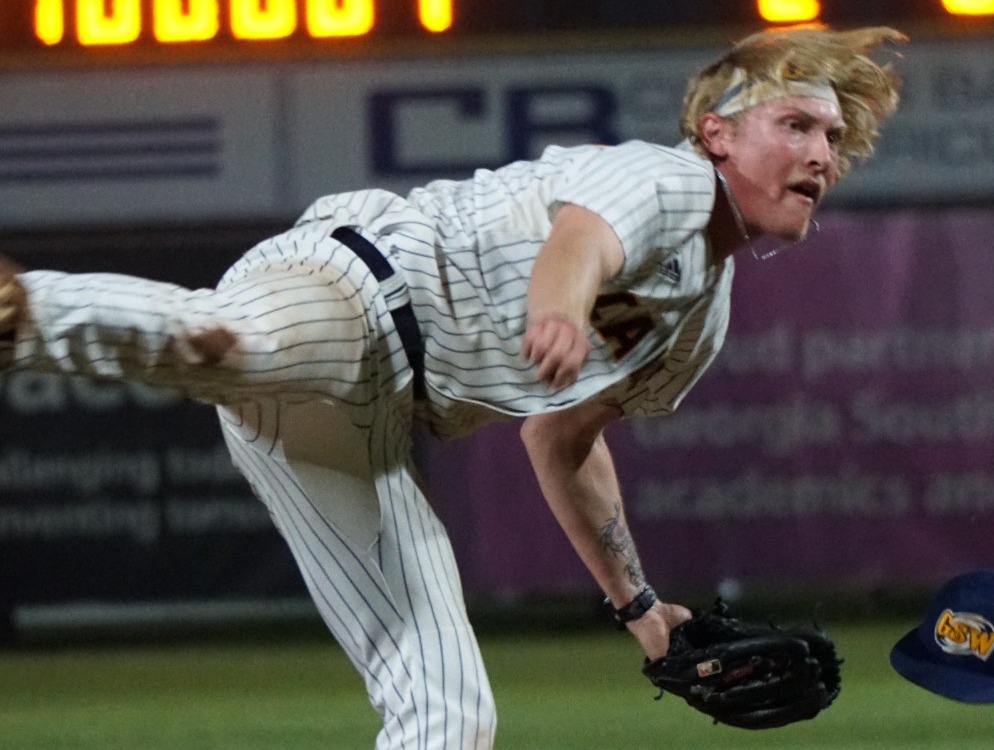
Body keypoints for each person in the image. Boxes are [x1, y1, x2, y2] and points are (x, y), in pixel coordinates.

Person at [0, 25, 902, 750]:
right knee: (238, 341)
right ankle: (22, 315)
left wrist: (639, 609)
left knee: (449, 717)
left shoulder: (699, 319)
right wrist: (556, 307)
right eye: (794, 125)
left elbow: (561, 440)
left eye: (830, 136)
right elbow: (581, 242)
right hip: (354, 289)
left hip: (368, 427)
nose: (820, 152)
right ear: (718, 134)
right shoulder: (666, 178)